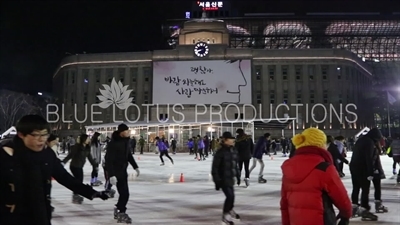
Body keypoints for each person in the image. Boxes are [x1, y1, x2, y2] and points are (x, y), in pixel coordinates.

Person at [0, 115, 108, 225]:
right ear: (21, 135)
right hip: (11, 216)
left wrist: (92, 193)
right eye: (36, 135)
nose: (41, 139)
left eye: (44, 134)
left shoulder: (47, 154)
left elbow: (64, 177)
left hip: (40, 214)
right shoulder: (5, 156)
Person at [280, 128, 352, 225]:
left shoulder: (289, 167)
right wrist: (346, 215)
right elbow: (341, 197)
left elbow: (284, 202)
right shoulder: (324, 168)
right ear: (321, 145)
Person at [105, 124, 140, 224]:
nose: (128, 132)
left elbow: (129, 155)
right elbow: (108, 160)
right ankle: (121, 211)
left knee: (124, 193)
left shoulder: (126, 142)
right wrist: (111, 175)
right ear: (121, 132)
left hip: (123, 171)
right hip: (116, 172)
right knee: (125, 193)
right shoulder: (113, 143)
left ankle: (119, 208)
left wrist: (135, 166)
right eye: (126, 131)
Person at [349, 127, 382, 221]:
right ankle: (364, 209)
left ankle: (354, 207)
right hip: (362, 168)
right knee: (365, 188)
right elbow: (369, 157)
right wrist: (370, 172)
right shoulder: (369, 142)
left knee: (356, 187)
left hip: (354, 166)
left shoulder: (361, 140)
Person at [211, 132, 241, 225]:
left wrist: (238, 176)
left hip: (231, 177)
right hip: (223, 178)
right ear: (225, 140)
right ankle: (225, 215)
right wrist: (217, 181)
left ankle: (230, 209)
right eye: (230, 139)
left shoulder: (233, 150)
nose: (233, 141)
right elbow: (214, 168)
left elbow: (235, 165)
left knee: (232, 196)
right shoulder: (220, 152)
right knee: (230, 196)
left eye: (233, 139)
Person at [63, 134, 99, 204]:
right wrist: (63, 162)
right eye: (88, 139)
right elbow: (70, 155)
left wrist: (95, 165)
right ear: (84, 139)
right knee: (78, 181)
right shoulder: (77, 147)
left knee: (79, 181)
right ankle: (75, 196)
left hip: (80, 166)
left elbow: (90, 158)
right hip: (74, 166)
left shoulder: (87, 148)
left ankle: (76, 195)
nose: (89, 140)